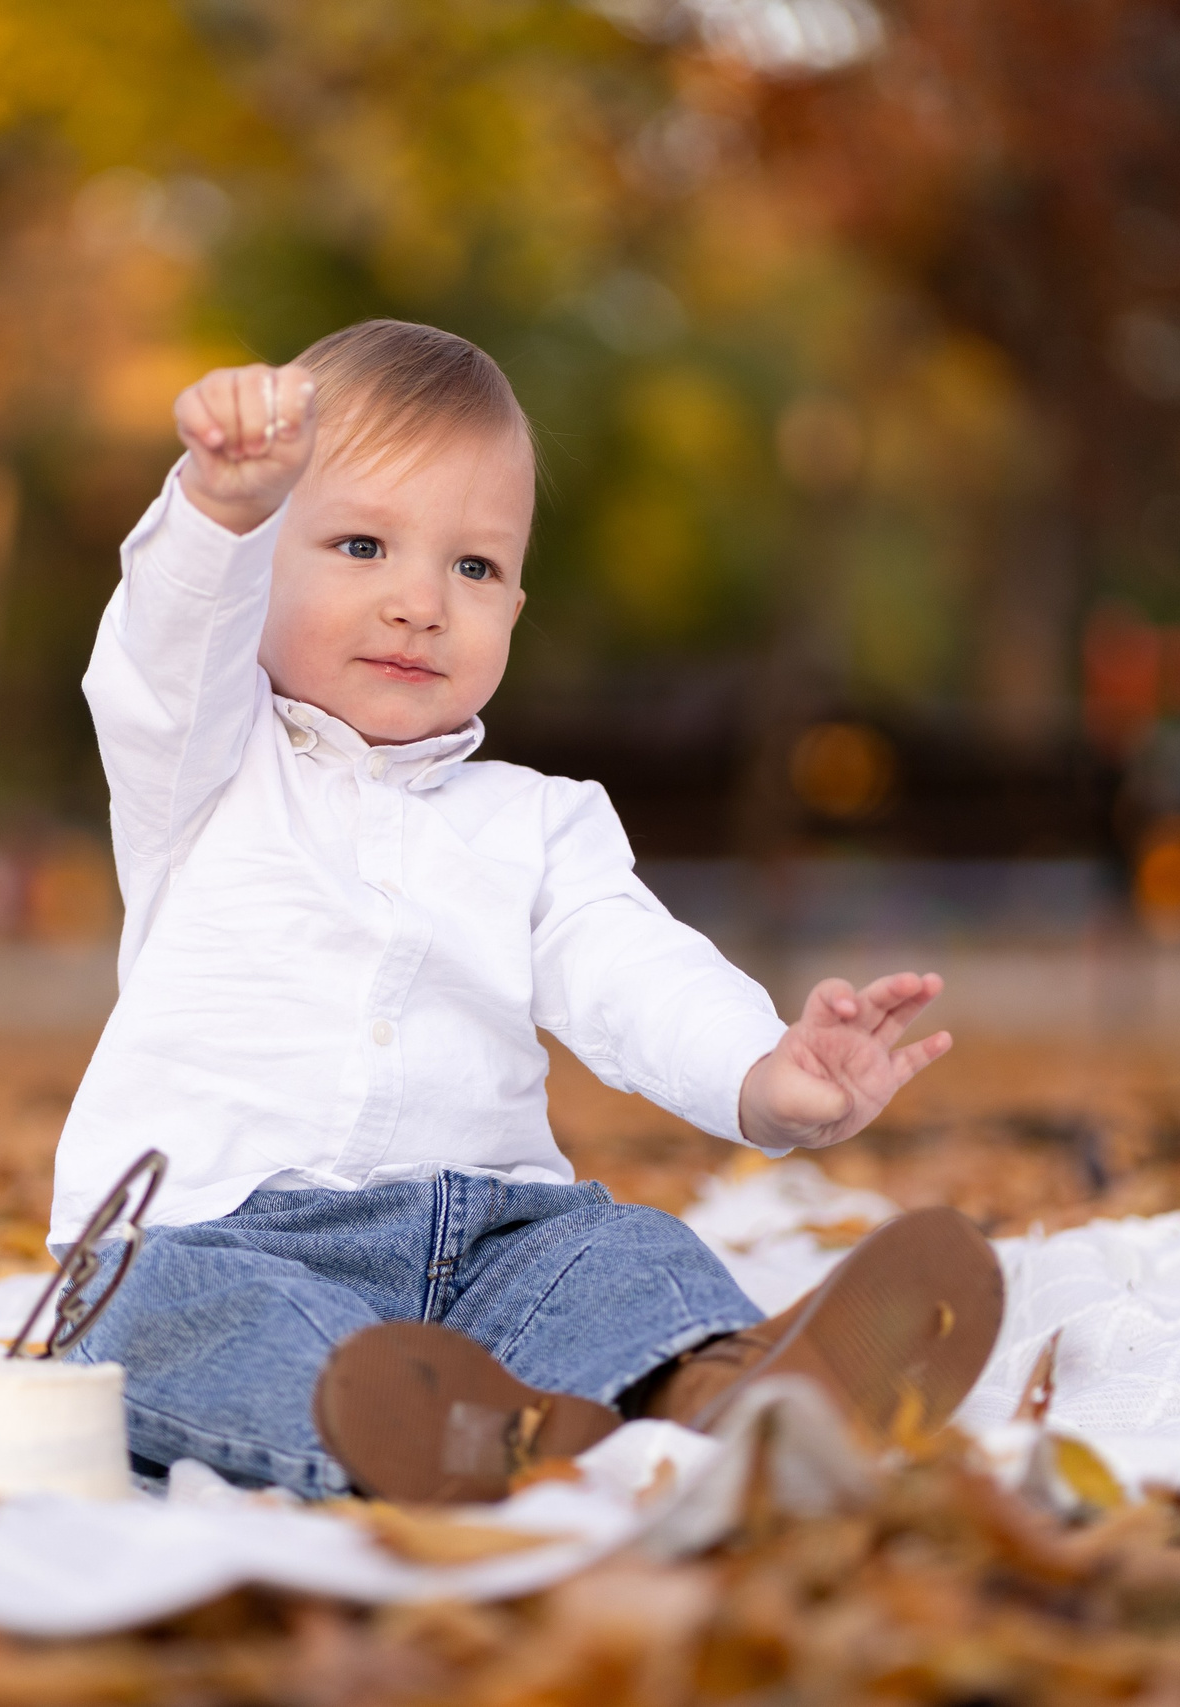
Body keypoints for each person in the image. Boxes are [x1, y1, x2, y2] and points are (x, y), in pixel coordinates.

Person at [49, 319, 1002, 1504]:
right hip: (221, 1232)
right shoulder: (204, 760)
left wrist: (767, 1072)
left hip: (485, 1241)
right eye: (359, 545)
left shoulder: (541, 821)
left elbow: (630, 966)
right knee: (160, 1316)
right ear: (262, 568)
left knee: (622, 1255)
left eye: (474, 568)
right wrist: (217, 511)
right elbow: (158, 653)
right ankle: (431, 1432)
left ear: (516, 598)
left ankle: (728, 1396)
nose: (419, 604)